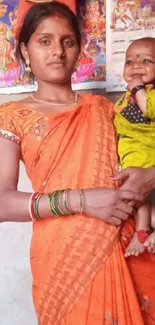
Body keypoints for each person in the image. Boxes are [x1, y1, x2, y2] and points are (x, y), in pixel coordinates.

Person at [0, 3, 155, 324]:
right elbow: (1, 202)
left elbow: (145, 148)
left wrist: (151, 176)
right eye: (44, 41)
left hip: (129, 245)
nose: (57, 51)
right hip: (63, 259)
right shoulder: (11, 116)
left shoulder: (106, 107)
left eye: (67, 41)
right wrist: (80, 200)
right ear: (25, 50)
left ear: (79, 50)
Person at [114, 37, 155, 257]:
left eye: (146, 61)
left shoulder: (149, 95)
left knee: (139, 197)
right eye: (129, 62)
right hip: (133, 156)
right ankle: (143, 233)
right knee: (139, 201)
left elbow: (148, 109)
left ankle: (142, 233)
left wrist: (138, 87)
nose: (136, 66)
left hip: (149, 154)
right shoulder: (124, 98)